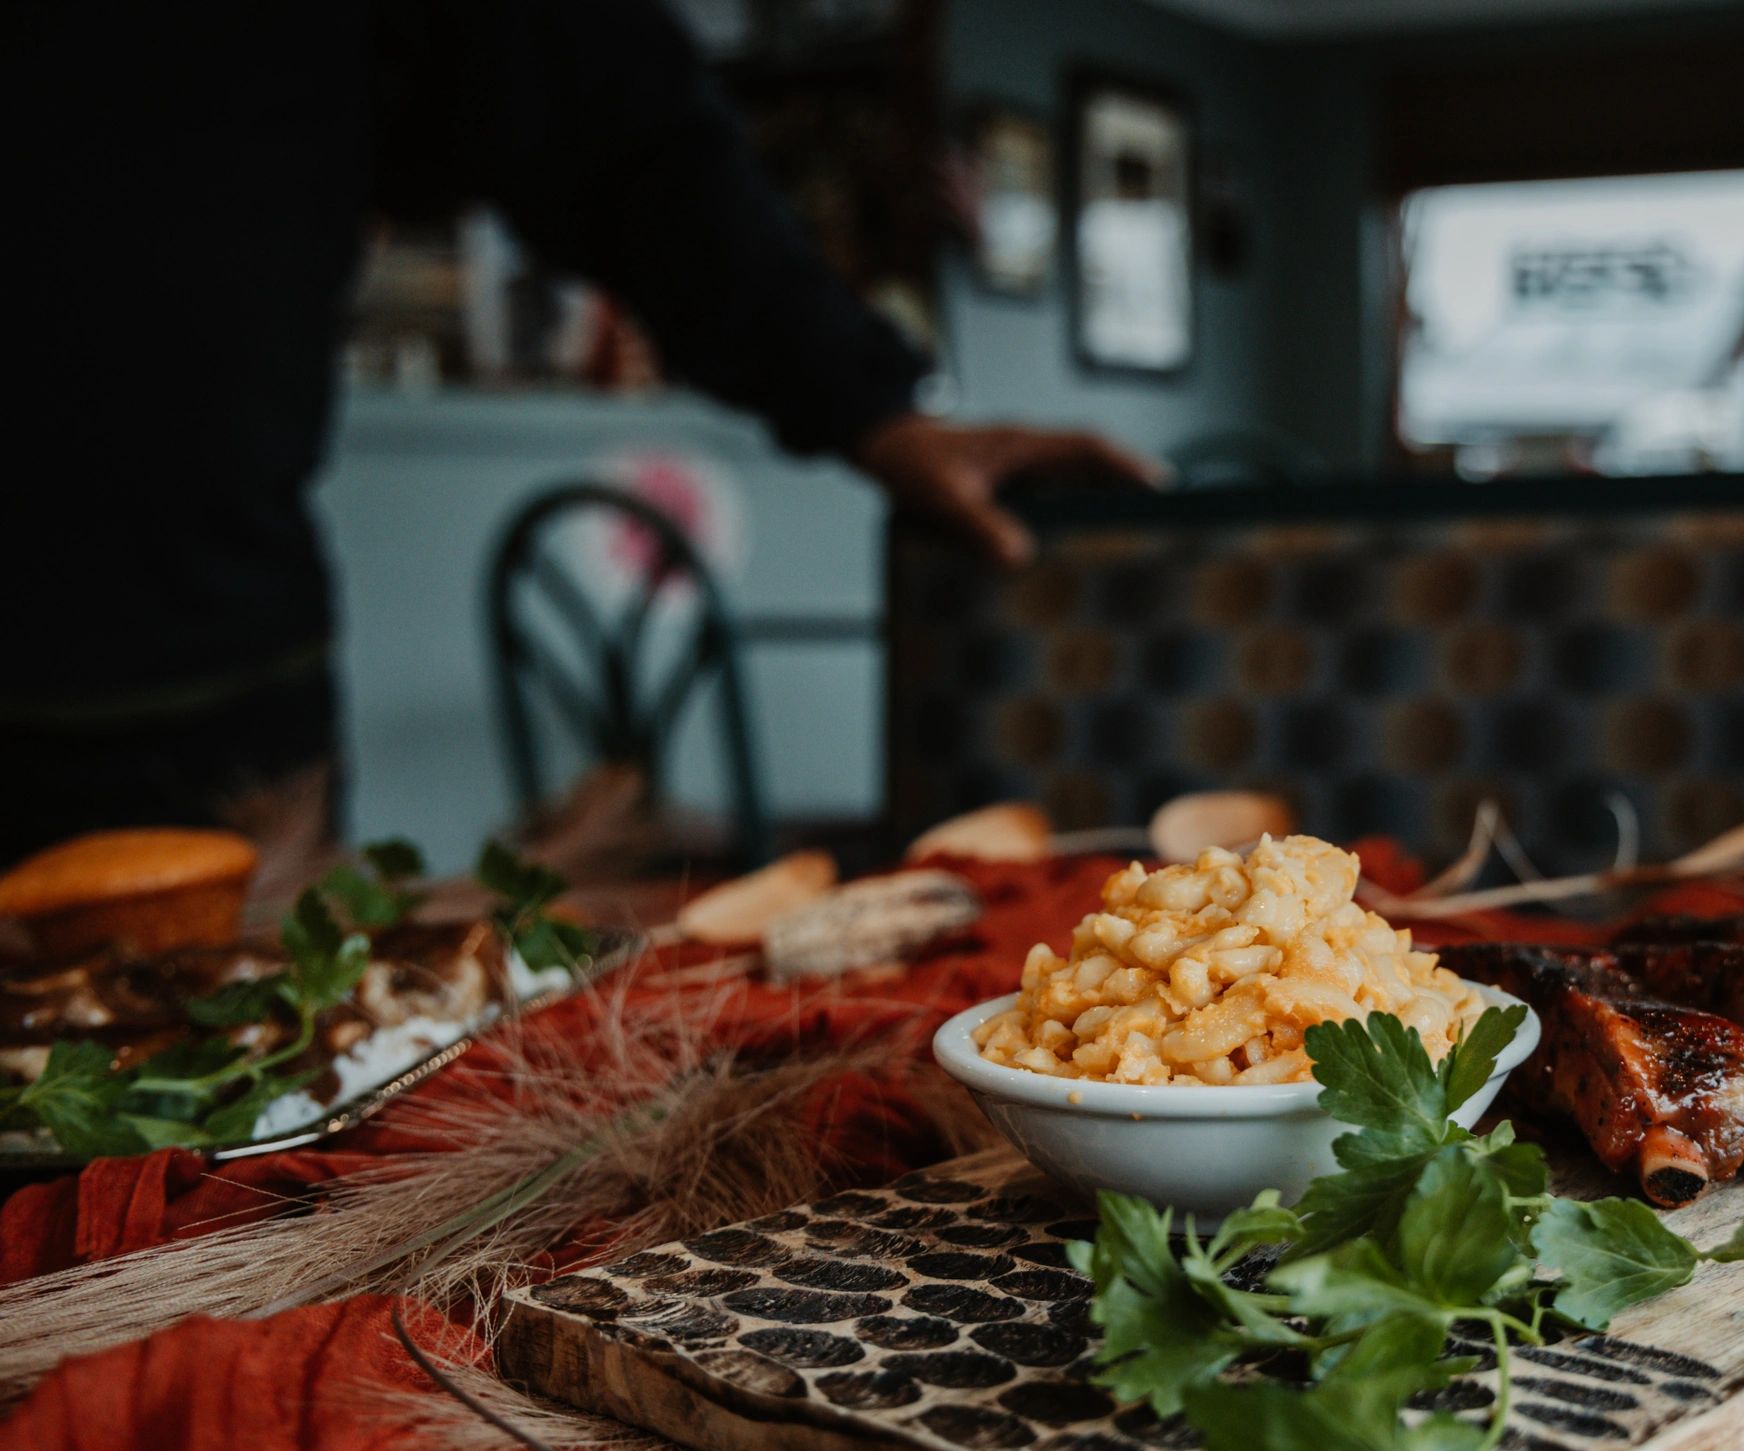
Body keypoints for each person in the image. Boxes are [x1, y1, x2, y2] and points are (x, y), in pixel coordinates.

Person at [4, 0, 1153, 860]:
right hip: (178, 667)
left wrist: (869, 399)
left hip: (197, 710)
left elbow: (619, 126)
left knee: (252, 1104)